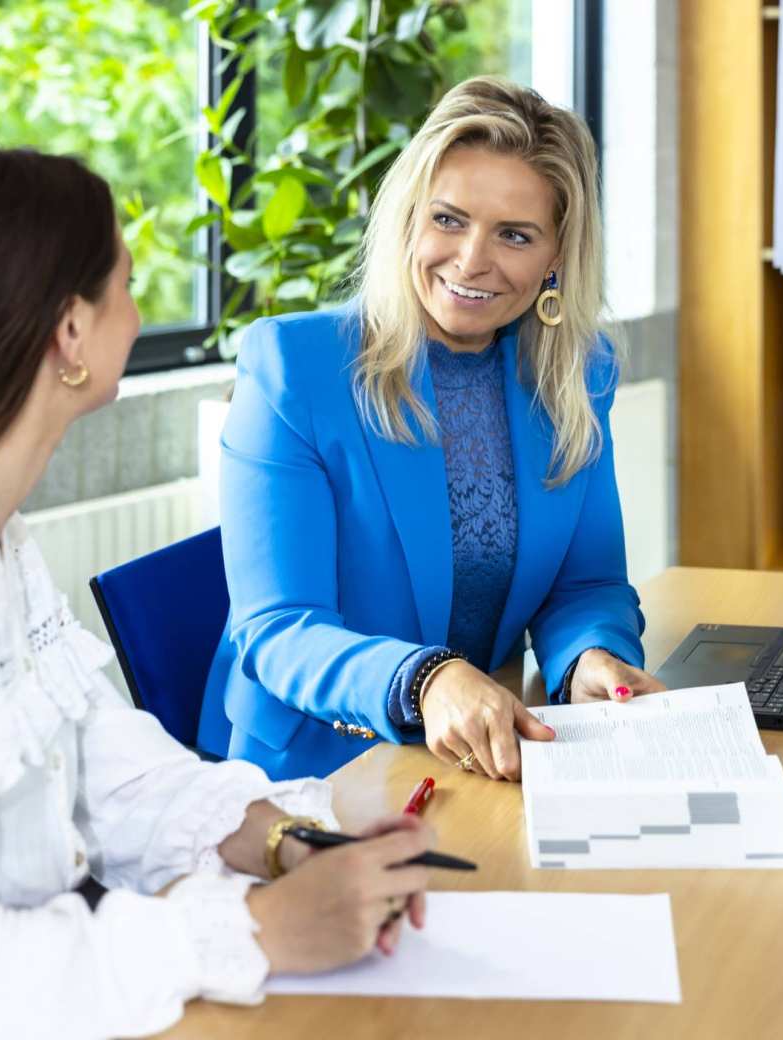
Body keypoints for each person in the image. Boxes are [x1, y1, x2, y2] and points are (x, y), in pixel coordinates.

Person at [0, 146, 432, 1040]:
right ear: (71, 332)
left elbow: (117, 778)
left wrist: (286, 841)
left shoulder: (6, 544)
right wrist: (254, 928)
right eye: (127, 282)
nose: (141, 309)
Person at [199, 75, 664, 784]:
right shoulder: (296, 367)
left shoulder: (578, 373)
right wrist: (427, 680)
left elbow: (585, 584)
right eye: (448, 219)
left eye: (514, 235)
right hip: (319, 765)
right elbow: (278, 630)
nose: (472, 261)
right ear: (410, 217)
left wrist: (590, 658)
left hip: (478, 755)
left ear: (555, 258)